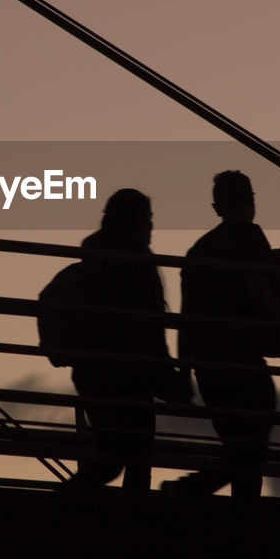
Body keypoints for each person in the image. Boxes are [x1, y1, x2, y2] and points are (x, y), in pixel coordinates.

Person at [58, 189, 188, 494]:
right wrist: (167, 379)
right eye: (149, 218)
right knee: (133, 459)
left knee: (112, 454)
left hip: (94, 373)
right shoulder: (138, 264)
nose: (152, 226)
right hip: (133, 376)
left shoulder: (94, 258)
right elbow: (149, 330)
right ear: (137, 220)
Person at [165, 171, 280, 501]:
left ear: (216, 206)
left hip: (209, 366)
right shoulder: (252, 240)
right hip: (243, 360)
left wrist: (185, 370)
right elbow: (263, 295)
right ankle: (192, 491)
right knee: (251, 450)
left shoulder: (200, 250)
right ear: (251, 201)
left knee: (240, 447)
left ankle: (193, 491)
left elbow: (187, 318)